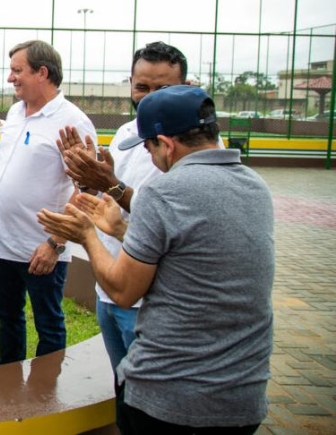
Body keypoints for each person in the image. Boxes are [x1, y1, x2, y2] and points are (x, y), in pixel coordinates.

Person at [37, 85, 274, 434]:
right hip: (242, 398)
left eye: (149, 147)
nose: (149, 157)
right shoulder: (256, 187)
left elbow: (122, 291)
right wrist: (120, 232)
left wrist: (87, 235)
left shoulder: (162, 193)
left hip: (170, 399)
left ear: (167, 143)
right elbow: (190, 257)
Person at [57, 42, 190, 377]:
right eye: (142, 87)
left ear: (186, 87)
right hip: (110, 287)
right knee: (122, 388)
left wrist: (110, 183)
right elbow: (109, 197)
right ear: (130, 83)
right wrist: (87, 177)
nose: (150, 97)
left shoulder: (195, 143)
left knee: (148, 394)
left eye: (163, 88)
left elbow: (171, 215)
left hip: (151, 300)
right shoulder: (126, 133)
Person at [0, 40, 97, 365]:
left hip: (41, 249)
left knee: (48, 324)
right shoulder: (14, 112)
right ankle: (8, 383)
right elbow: (8, 162)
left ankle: (44, 399)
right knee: (8, 317)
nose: (10, 78)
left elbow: (87, 190)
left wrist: (55, 244)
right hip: (1, 242)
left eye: (17, 70)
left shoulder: (73, 122)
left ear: (42, 72)